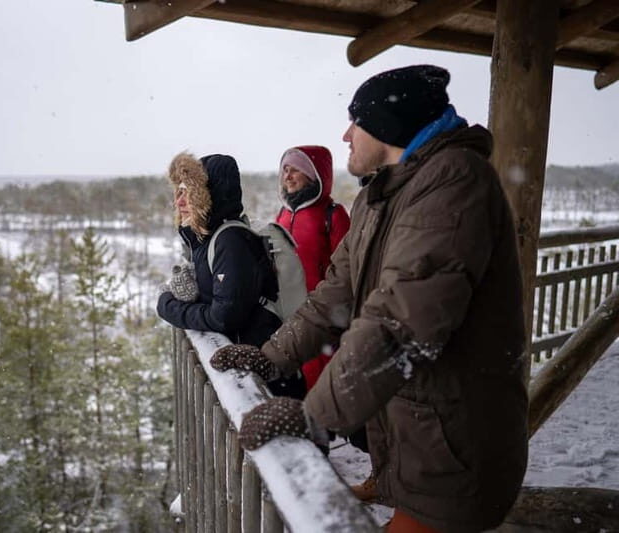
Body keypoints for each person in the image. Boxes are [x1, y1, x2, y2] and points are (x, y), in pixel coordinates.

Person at [210, 65, 528, 532]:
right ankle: (387, 481)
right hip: (419, 424)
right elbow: (334, 292)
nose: (346, 135)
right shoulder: (384, 195)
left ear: (388, 126)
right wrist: (269, 358)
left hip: (455, 436)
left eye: (356, 121)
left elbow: (400, 321)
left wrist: (314, 417)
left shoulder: (454, 184)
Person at [157, 151, 305, 399]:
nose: (179, 202)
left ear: (210, 195)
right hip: (250, 368)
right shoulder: (209, 239)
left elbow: (224, 317)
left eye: (189, 193)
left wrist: (168, 307)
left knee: (290, 437)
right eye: (179, 192)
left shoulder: (231, 240)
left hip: (266, 376)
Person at [276, 145, 350, 391]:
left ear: (315, 175)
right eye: (285, 169)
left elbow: (349, 271)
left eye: (295, 169)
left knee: (321, 389)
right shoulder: (282, 215)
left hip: (322, 321)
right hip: (287, 319)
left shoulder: (334, 215)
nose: (287, 176)